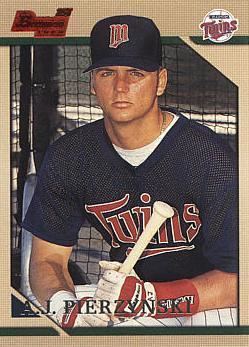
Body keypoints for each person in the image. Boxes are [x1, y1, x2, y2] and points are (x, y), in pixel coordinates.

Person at [22, 15, 238, 328]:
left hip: (210, 298)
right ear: (93, 83)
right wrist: (62, 302)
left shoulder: (208, 157)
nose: (120, 86)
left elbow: (239, 280)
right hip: (129, 296)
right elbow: (46, 260)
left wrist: (154, 299)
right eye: (107, 72)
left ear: (160, 81)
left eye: (135, 73)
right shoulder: (70, 156)